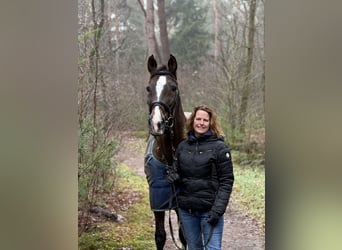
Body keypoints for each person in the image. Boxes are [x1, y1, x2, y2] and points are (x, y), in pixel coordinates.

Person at [167, 105, 234, 250]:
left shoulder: (220, 148)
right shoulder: (182, 147)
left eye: (205, 120)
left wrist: (218, 210)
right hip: (187, 212)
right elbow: (178, 173)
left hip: (210, 211)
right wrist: (173, 176)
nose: (201, 123)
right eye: (198, 119)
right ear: (192, 121)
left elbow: (226, 181)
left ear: (211, 123)